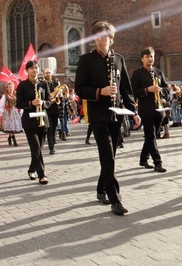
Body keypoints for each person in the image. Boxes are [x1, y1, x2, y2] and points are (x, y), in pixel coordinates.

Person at [75, 20, 141, 216]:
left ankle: (101, 189)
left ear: (111, 39)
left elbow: (126, 89)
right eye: (97, 36)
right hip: (97, 115)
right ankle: (115, 200)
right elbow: (79, 89)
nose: (100, 39)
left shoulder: (119, 59)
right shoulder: (86, 60)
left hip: (116, 115)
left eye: (104, 36)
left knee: (110, 157)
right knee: (107, 156)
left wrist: (133, 112)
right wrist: (99, 91)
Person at [131, 47, 168, 173]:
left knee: (152, 136)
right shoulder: (137, 74)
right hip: (145, 110)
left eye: (151, 56)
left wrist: (162, 93)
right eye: (147, 57)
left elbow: (166, 88)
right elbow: (133, 92)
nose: (150, 59)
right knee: (151, 136)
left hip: (159, 109)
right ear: (142, 59)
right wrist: (147, 90)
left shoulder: (158, 72)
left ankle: (143, 158)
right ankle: (158, 162)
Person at [16, 60, 50, 185]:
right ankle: (42, 175)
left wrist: (43, 103)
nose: (34, 70)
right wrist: (31, 103)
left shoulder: (43, 84)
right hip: (29, 121)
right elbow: (18, 104)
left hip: (43, 120)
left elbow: (49, 101)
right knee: (36, 149)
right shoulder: (22, 85)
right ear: (27, 71)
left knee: (38, 150)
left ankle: (31, 169)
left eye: (36, 68)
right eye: (31, 68)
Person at [0, 81, 23, 146]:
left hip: (15, 112)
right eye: (9, 87)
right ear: (7, 88)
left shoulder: (16, 95)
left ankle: (9, 137)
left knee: (13, 126)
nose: (11, 88)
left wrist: (20, 110)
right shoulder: (5, 96)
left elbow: (19, 102)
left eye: (12, 87)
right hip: (8, 113)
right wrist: (1, 113)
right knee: (10, 126)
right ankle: (14, 139)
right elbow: (1, 105)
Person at [43, 68, 59, 154]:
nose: (48, 74)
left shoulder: (56, 83)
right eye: (46, 73)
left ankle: (53, 142)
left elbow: (60, 94)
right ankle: (51, 148)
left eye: (49, 72)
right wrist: (50, 95)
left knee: (54, 128)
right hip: (47, 108)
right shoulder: (42, 84)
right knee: (49, 128)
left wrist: (60, 94)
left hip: (55, 108)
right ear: (43, 74)